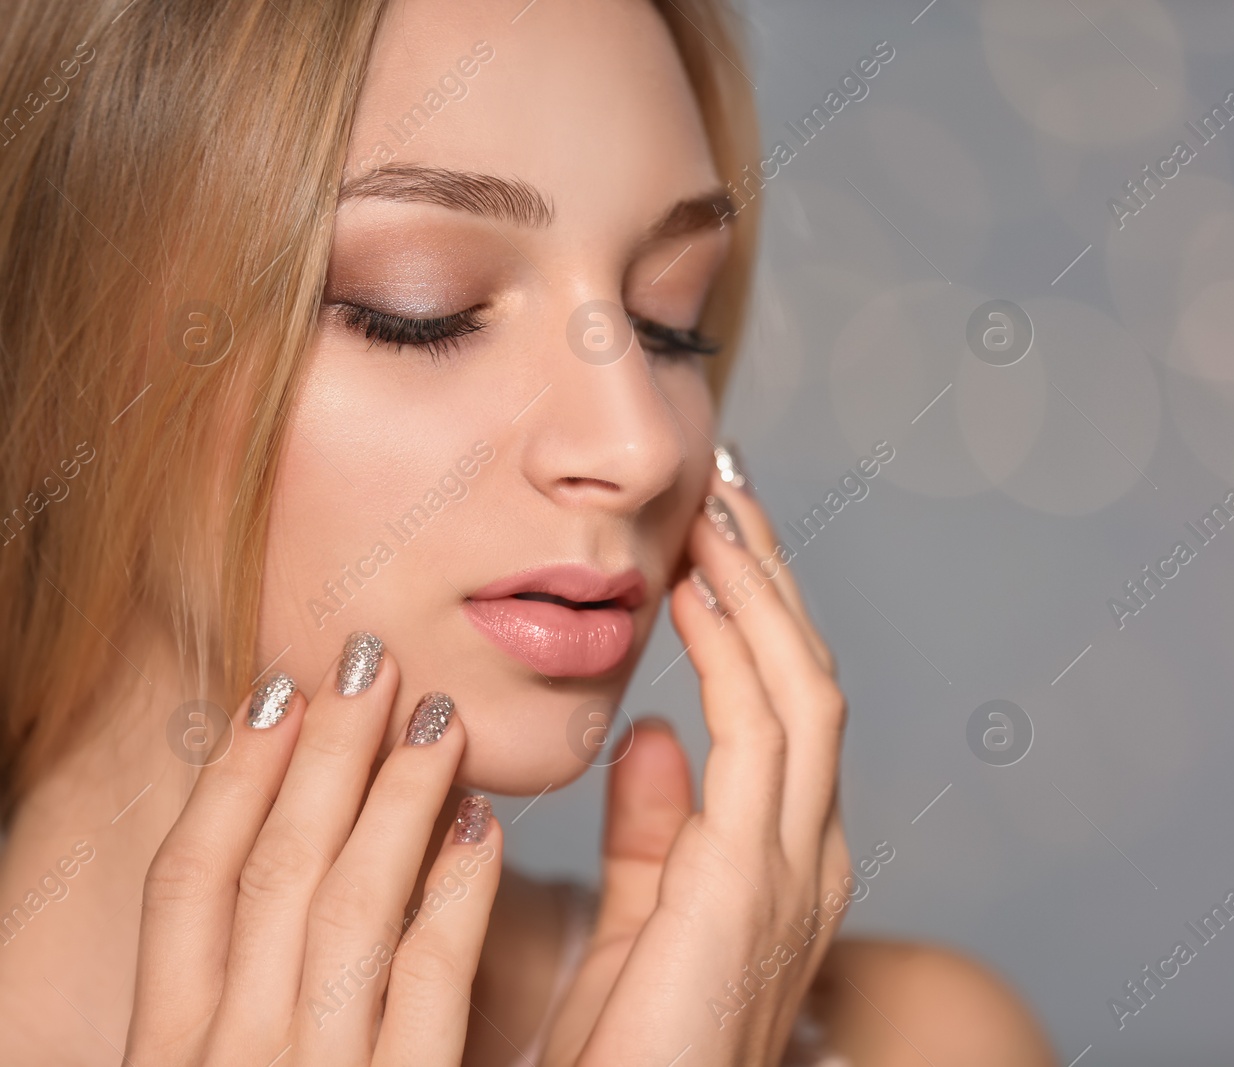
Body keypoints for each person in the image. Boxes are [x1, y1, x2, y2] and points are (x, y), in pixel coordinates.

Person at [0, 0, 1056, 1063]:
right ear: (60, 357)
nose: (639, 443)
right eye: (420, 308)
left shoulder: (918, 1039)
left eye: (668, 319)